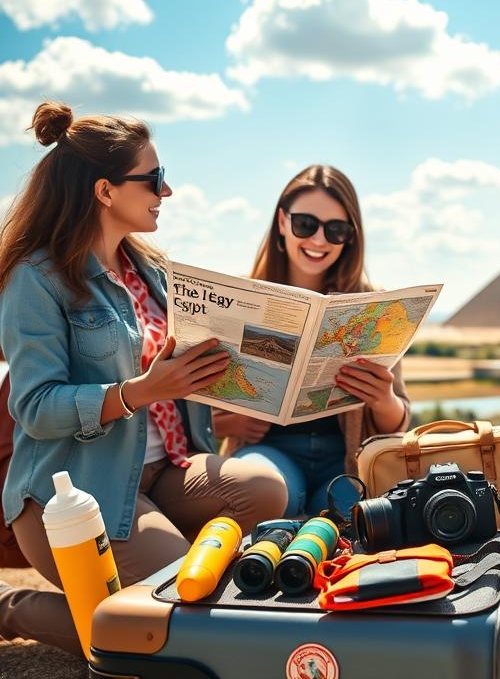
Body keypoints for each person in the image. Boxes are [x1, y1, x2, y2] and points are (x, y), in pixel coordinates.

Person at [0, 102, 288, 655]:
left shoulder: (152, 271)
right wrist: (139, 391)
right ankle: (9, 609)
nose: (168, 191)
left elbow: (181, 375)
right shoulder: (35, 278)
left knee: (264, 489)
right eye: (154, 179)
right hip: (80, 492)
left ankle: (138, 597)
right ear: (105, 191)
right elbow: (35, 407)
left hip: (164, 472)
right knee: (183, 616)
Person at [214, 165, 411, 518]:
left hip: (346, 459)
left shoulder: (372, 307)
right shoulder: (239, 297)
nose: (319, 240)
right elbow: (193, 404)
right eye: (306, 224)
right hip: (268, 452)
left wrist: (383, 399)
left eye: (336, 230)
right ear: (282, 222)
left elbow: (397, 425)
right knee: (262, 495)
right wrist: (227, 425)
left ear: (351, 237)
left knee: (359, 521)